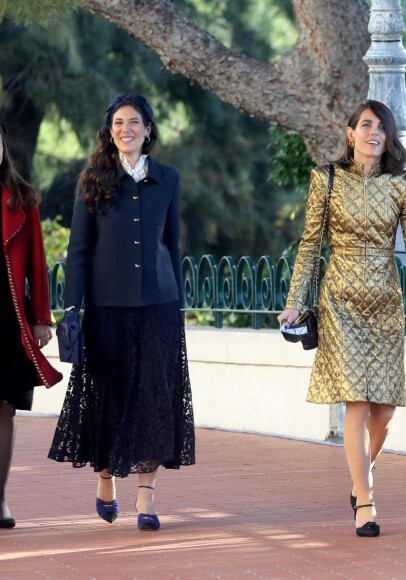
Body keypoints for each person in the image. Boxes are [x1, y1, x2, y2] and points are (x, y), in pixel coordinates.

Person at [278, 100, 406, 538]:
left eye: (382, 128)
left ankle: (361, 476)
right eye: (366, 126)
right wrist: (296, 300)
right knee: (356, 399)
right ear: (350, 133)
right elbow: (310, 244)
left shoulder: (403, 185)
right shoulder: (327, 178)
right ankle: (366, 502)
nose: (374, 133)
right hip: (339, 300)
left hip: (386, 302)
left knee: (385, 412)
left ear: (388, 138)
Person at [48, 94, 195, 531]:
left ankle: (147, 497)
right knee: (108, 397)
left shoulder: (168, 179)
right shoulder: (92, 179)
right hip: (106, 311)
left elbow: (173, 244)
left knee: (155, 398)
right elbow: (78, 254)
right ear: (109, 130)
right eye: (118, 122)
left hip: (158, 308)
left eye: (134, 122)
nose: (125, 129)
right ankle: (107, 476)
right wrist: (72, 309)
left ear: (148, 129)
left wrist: (178, 304)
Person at [0, 124, 63, 529]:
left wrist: (42, 317)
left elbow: (38, 265)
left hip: (8, 318)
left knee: (4, 409)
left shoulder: (23, 200)